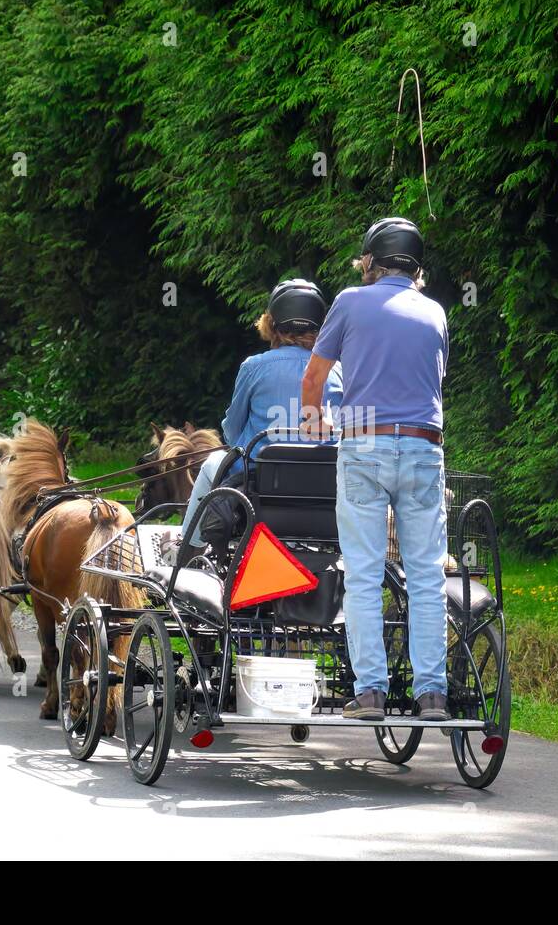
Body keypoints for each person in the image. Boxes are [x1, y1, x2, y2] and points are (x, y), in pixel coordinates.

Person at [300, 217, 450, 722]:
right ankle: (433, 694)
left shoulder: (349, 301)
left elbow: (314, 377)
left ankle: (371, 693)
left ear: (371, 261)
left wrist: (315, 424)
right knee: (426, 576)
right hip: (425, 450)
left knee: (363, 574)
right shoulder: (435, 313)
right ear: (415, 267)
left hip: (364, 447)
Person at [181, 278, 343, 547]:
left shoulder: (254, 367)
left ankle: (188, 550)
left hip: (261, 487)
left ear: (273, 324)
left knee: (211, 463)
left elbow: (232, 431)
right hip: (324, 489)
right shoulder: (338, 370)